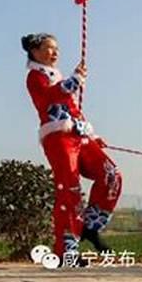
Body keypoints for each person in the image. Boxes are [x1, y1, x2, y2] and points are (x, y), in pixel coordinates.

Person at [22, 33, 122, 263]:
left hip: (79, 134)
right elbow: (50, 97)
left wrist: (93, 135)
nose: (55, 52)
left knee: (111, 175)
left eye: (56, 48)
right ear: (35, 52)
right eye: (49, 48)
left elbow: (73, 109)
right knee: (70, 190)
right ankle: (67, 250)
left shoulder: (57, 76)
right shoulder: (34, 77)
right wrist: (74, 80)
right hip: (58, 137)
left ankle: (90, 226)